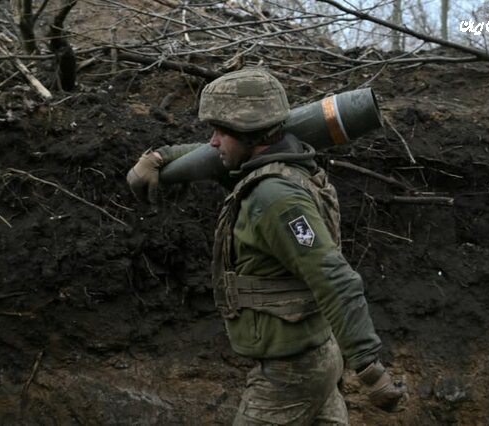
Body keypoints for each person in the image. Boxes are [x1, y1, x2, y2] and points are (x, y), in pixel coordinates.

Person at [127, 68, 407, 425]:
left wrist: (371, 371)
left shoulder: (275, 198)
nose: (212, 142)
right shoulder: (278, 160)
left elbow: (334, 278)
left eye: (220, 131)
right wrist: (161, 158)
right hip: (314, 353)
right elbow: (214, 156)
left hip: (291, 375)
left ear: (248, 135)